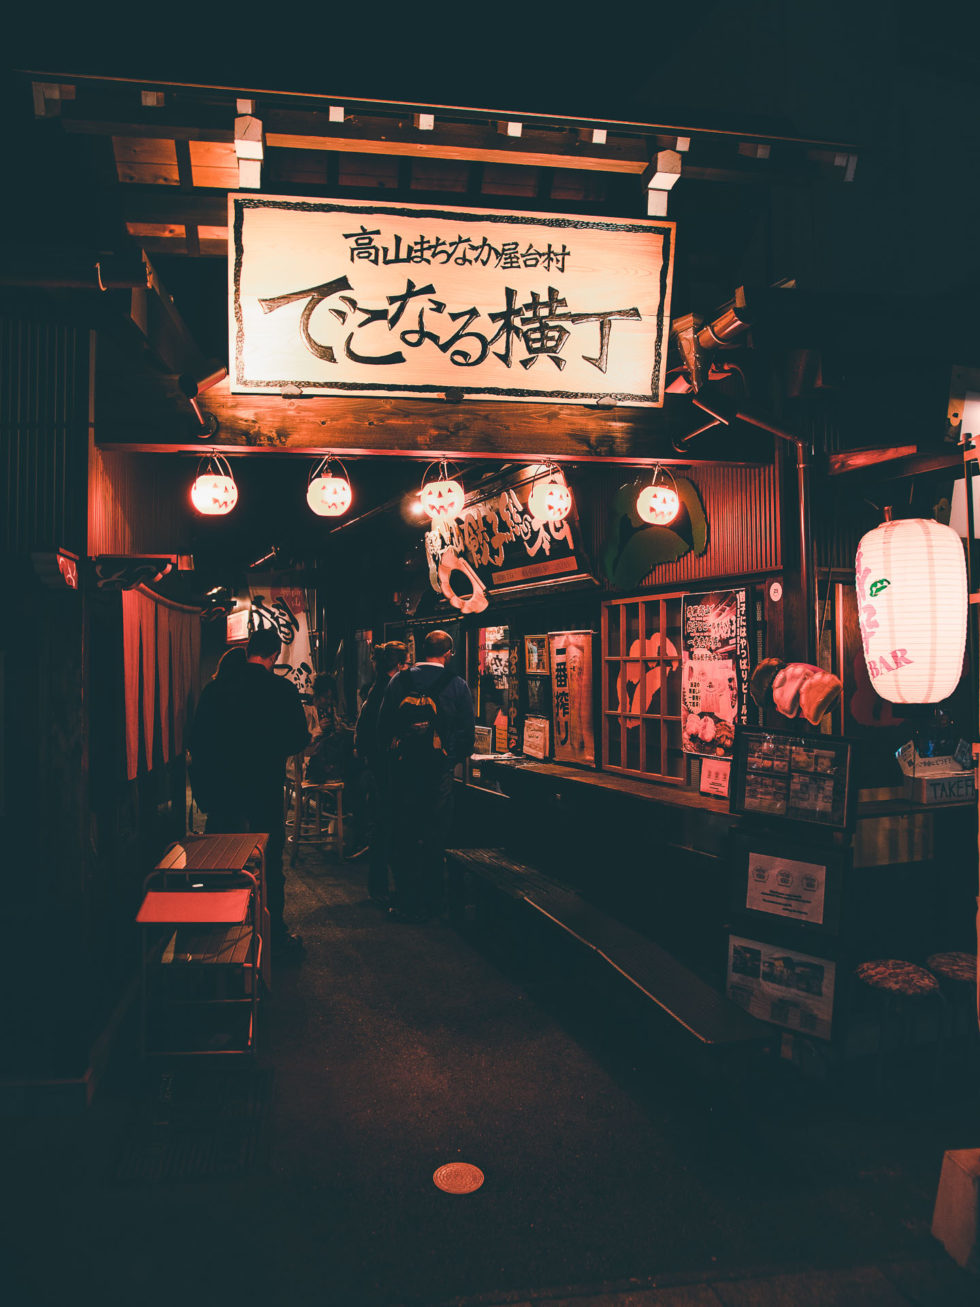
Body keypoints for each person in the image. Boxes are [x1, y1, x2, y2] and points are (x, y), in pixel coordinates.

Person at [188, 625, 311, 959]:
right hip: (264, 790)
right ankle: (271, 935)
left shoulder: (216, 689)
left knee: (221, 862)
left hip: (223, 794)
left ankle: (219, 936)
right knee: (268, 864)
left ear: (248, 650)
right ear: (274, 655)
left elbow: (197, 739)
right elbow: (298, 738)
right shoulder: (281, 689)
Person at [378, 630, 474, 923]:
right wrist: (447, 760)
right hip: (438, 776)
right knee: (435, 837)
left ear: (421, 650)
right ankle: (433, 904)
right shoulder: (457, 685)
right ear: (447, 654)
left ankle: (406, 902)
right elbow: (467, 737)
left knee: (405, 835)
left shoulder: (399, 681)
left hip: (403, 773)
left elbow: (383, 726)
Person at [353, 641, 408, 906]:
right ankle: (384, 887)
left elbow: (362, 734)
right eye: (406, 663)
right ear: (398, 665)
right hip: (387, 768)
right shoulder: (392, 689)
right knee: (388, 827)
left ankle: (382, 885)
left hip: (376, 766)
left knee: (383, 826)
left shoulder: (377, 688)